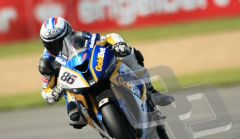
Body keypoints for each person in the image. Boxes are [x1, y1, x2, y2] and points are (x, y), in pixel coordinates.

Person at [39, 17, 174, 129]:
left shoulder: (82, 37)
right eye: (51, 44)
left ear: (69, 33)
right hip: (74, 88)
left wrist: (119, 45)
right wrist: (53, 93)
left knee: (130, 54)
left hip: (94, 71)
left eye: (60, 41)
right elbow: (46, 91)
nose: (57, 46)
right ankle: (106, 128)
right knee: (76, 118)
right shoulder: (46, 63)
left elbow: (109, 37)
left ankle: (151, 91)